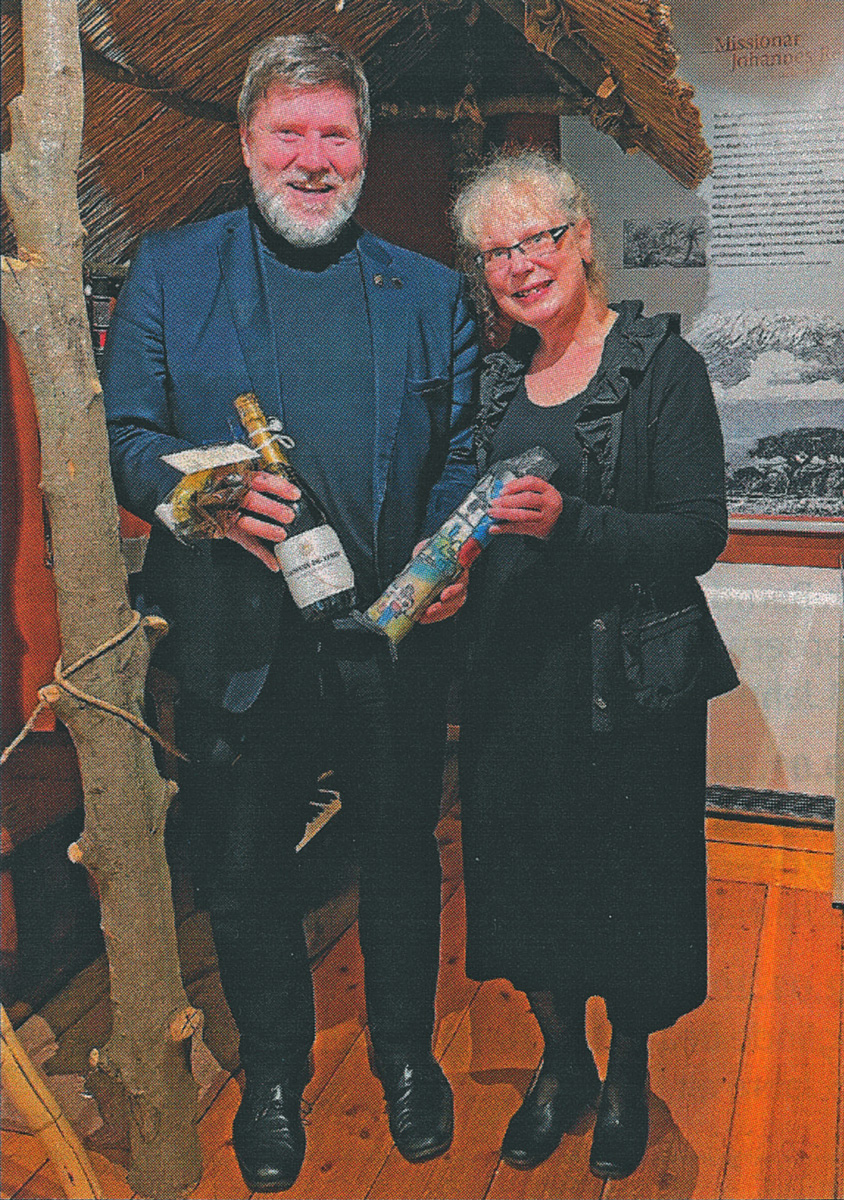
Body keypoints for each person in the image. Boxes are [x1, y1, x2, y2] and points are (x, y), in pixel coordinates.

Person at [102, 32, 477, 1192]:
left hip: (388, 645)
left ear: (362, 145)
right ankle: (271, 1073)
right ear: (247, 142)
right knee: (247, 865)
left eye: (335, 134)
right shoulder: (171, 269)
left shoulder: (427, 291)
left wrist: (453, 548)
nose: (313, 159)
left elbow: (463, 450)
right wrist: (192, 495)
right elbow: (126, 441)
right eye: (289, 134)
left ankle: (405, 1056)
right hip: (238, 647)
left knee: (402, 860)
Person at [450, 149, 735, 1180]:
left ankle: (622, 1072)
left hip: (629, 685)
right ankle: (557, 1061)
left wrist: (573, 524)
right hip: (508, 680)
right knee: (525, 881)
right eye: (496, 253)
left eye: (536, 238)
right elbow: (464, 524)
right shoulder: (488, 384)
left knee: (628, 885)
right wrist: (446, 578)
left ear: (580, 238)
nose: (521, 265)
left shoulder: (659, 366)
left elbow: (697, 533)